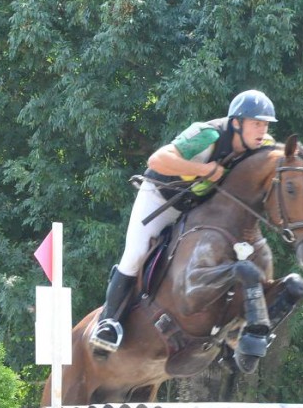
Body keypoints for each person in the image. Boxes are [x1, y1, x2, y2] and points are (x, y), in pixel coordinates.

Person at [89, 89, 278, 354]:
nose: (263, 130)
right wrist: (205, 170)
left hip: (199, 210)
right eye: (257, 123)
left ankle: (239, 325)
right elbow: (157, 159)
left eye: (266, 124)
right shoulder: (207, 134)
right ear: (236, 122)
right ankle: (108, 323)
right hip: (161, 198)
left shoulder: (262, 145)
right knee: (135, 254)